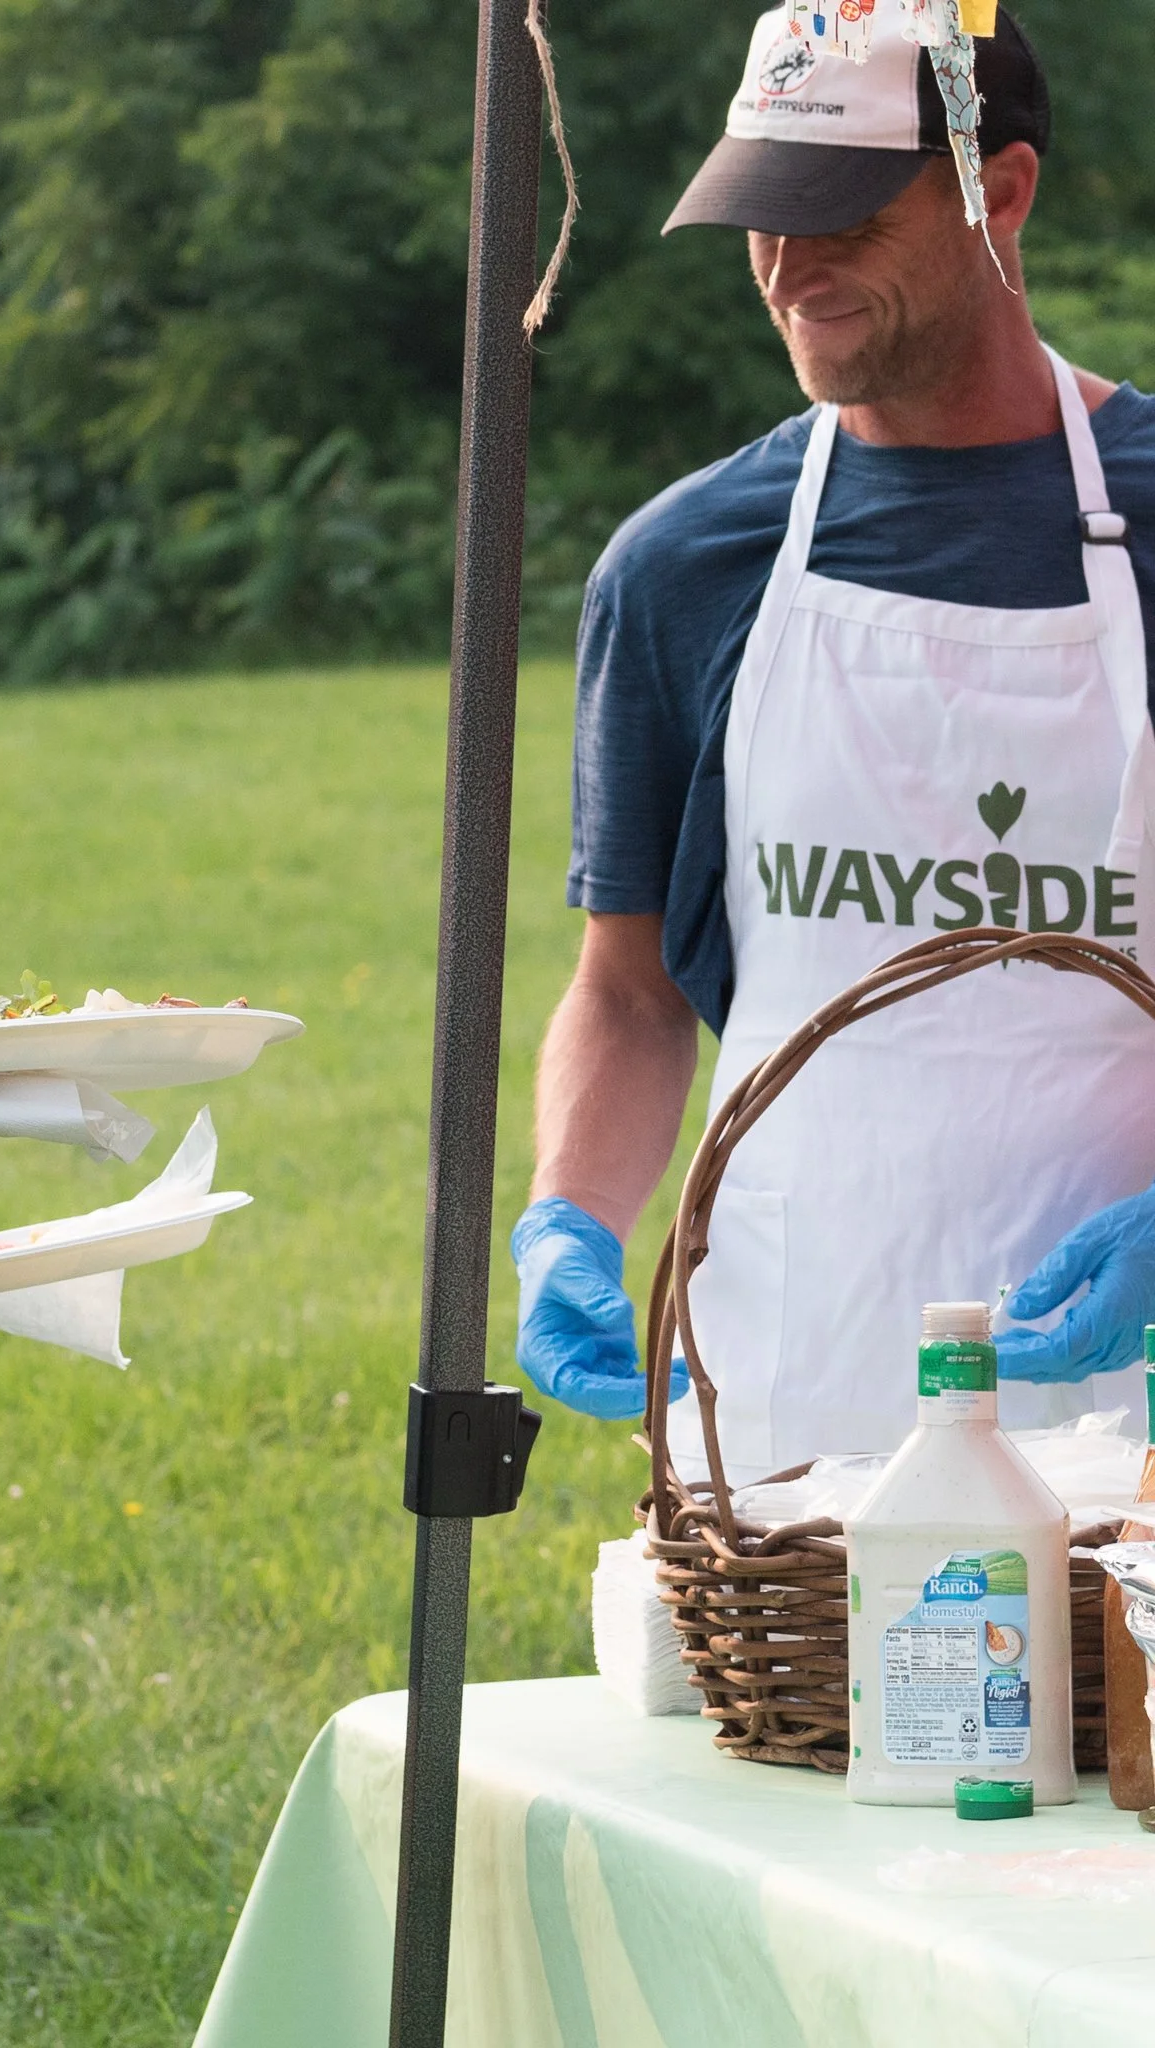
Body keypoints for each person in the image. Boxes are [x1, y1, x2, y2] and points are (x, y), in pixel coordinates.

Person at [512, 6, 1155, 1484]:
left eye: (845, 220)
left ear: (1001, 194)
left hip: (1131, 1417)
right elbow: (628, 992)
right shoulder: (686, 567)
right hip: (794, 1402)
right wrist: (568, 1225)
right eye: (761, 221)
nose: (791, 273)